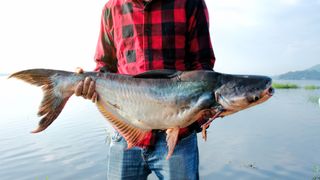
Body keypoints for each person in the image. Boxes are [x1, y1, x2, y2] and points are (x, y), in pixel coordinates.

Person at [75, 0, 215, 179]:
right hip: (125, 131)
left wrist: (201, 114)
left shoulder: (190, 4)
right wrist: (90, 84)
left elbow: (203, 66)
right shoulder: (112, 8)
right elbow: (104, 65)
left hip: (179, 136)